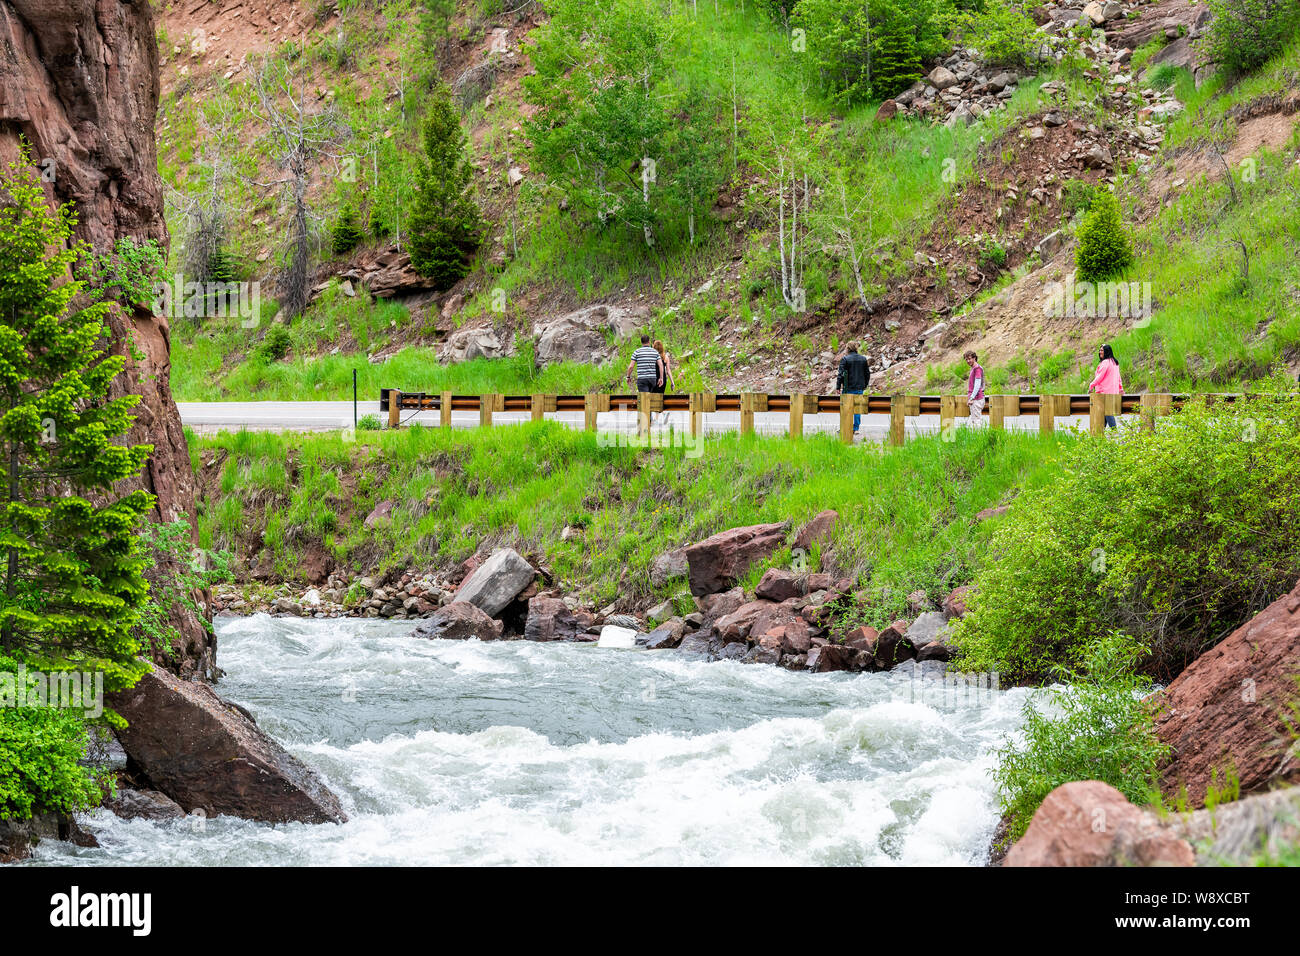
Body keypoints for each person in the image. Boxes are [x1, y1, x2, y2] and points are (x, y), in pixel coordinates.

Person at [836, 344, 871, 435]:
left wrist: (838, 387)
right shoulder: (863, 359)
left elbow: (840, 374)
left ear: (848, 349)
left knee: (845, 408)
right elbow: (867, 374)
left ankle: (844, 427)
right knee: (857, 408)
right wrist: (865, 385)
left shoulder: (845, 359)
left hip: (848, 387)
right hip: (859, 387)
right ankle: (856, 428)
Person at [1089, 343, 1123, 429]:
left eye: (1102, 350)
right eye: (1100, 350)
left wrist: (1091, 385)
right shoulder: (1115, 362)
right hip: (1113, 392)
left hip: (1105, 392)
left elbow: (1099, 377)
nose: (1100, 352)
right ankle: (1101, 432)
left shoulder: (1105, 363)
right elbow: (1118, 377)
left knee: (1108, 413)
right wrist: (1120, 389)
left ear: (1107, 352)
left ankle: (1114, 432)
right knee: (1105, 413)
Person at [651, 340, 676, 426]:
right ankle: (657, 418)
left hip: (655, 379)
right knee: (659, 398)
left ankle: (660, 415)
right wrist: (672, 382)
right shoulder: (665, 357)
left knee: (651, 399)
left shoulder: (652, 356)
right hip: (663, 380)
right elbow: (668, 370)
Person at [964, 350, 985, 427]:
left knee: (976, 422)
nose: (968, 361)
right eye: (966, 359)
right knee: (973, 422)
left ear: (974, 358)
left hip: (976, 398)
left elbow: (977, 385)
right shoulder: (975, 368)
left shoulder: (977, 369)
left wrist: (971, 398)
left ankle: (979, 438)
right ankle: (975, 437)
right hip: (976, 398)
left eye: (969, 359)